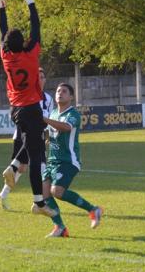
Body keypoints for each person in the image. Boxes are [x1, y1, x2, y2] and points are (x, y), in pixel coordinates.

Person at [0, 0, 56, 217]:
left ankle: (14, 169)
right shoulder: (30, 55)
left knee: (31, 152)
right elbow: (37, 27)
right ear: (24, 43)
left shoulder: (6, 56)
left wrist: (1, 3)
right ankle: (39, 203)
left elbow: (2, 30)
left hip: (16, 109)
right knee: (37, 155)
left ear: (7, 45)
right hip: (31, 109)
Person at [41, 83, 103, 238]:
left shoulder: (73, 114)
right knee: (44, 194)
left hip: (68, 161)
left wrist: (44, 119)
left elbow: (66, 127)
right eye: (57, 91)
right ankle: (60, 227)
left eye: (64, 91)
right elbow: (51, 136)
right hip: (52, 161)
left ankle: (93, 209)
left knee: (57, 192)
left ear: (71, 97)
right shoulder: (54, 113)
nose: (60, 93)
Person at [0, 67, 54, 210]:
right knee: (22, 168)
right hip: (22, 136)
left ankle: (39, 199)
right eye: (38, 77)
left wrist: (47, 134)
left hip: (39, 136)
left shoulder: (48, 99)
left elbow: (49, 119)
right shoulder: (28, 96)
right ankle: (37, 201)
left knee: (40, 166)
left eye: (42, 77)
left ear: (45, 80)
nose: (40, 79)